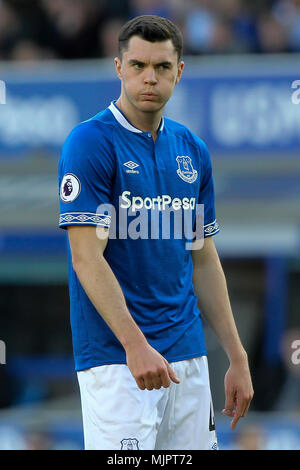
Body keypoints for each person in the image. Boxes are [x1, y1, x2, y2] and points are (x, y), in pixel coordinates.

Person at [58, 15, 254, 450]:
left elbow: (202, 257)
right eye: (138, 65)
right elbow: (86, 258)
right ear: (118, 68)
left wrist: (236, 355)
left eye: (162, 67)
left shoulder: (192, 150)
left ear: (179, 72)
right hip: (117, 360)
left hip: (188, 357)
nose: (150, 77)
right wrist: (135, 345)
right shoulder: (90, 143)